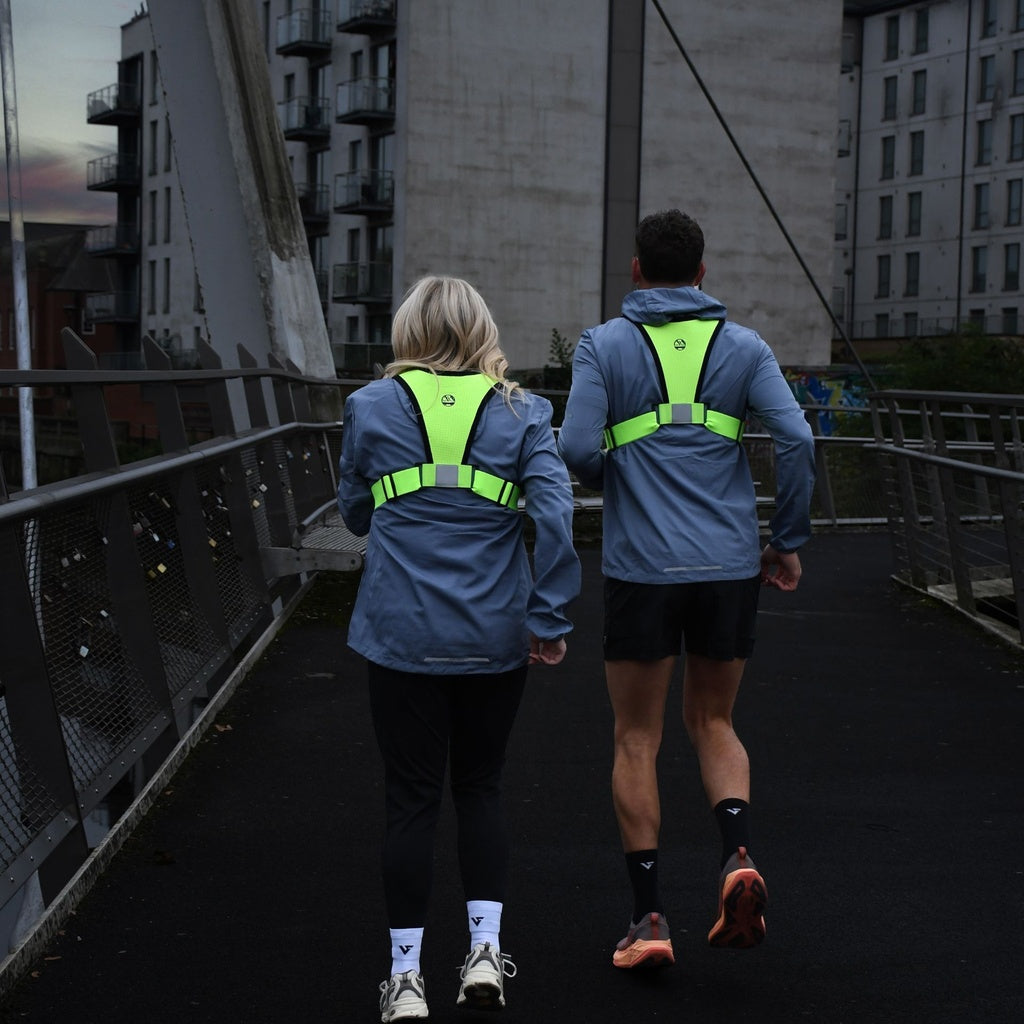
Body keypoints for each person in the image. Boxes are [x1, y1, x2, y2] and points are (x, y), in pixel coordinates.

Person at [557, 209, 815, 968]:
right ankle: (737, 856)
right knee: (714, 721)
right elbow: (798, 438)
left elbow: (576, 447)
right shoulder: (745, 346)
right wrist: (786, 540)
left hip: (642, 568)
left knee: (637, 738)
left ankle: (649, 922)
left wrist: (618, 473)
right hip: (729, 567)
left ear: (636, 269)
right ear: (703, 274)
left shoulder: (603, 345)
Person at [338, 275, 580, 1021]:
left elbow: (354, 514)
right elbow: (557, 518)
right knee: (480, 788)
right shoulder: (524, 411)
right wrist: (549, 616)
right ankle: (483, 954)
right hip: (492, 636)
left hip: (400, 635)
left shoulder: (369, 405)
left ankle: (405, 980)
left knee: (410, 800)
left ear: (408, 330)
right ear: (481, 331)